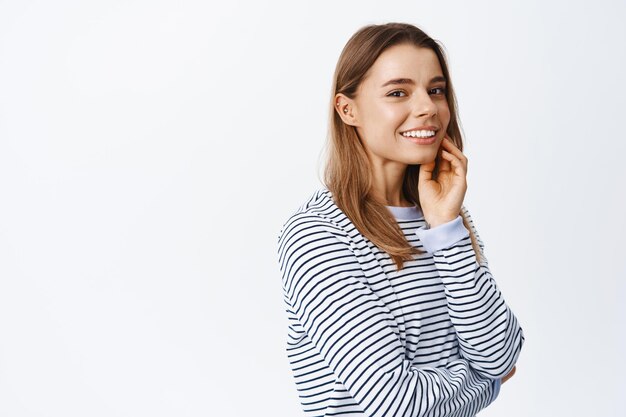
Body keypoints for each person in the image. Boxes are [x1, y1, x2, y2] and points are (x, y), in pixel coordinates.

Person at [276, 22, 525, 417]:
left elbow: (498, 352)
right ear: (347, 109)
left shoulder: (446, 220)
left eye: (436, 90)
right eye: (398, 92)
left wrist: (446, 228)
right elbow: (398, 405)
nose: (427, 107)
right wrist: (487, 382)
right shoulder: (318, 235)